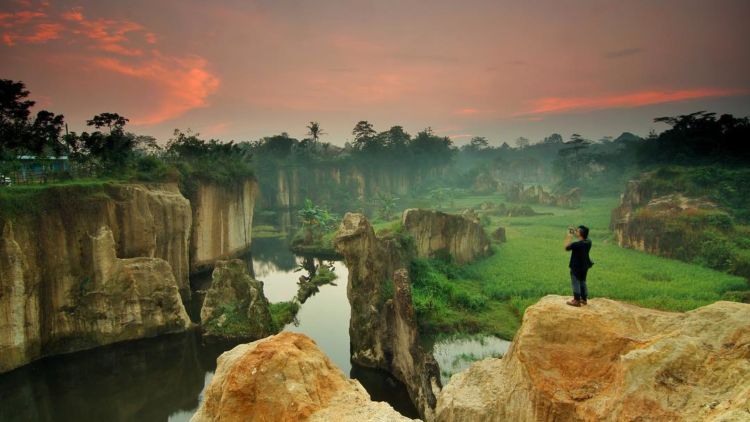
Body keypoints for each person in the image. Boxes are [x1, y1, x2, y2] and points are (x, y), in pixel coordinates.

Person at [564, 225, 592, 307]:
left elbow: (566, 247)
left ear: (580, 234)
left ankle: (576, 300)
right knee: (583, 281)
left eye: (577, 231)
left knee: (575, 281)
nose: (575, 231)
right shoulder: (589, 242)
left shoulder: (576, 244)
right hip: (585, 265)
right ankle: (583, 299)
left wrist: (569, 235)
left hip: (576, 266)